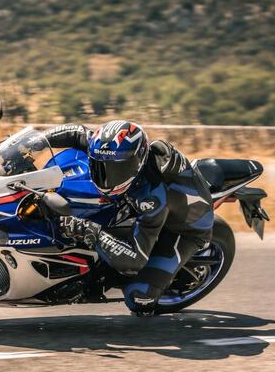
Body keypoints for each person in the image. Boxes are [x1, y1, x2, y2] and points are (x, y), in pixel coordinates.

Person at [44, 121, 214, 315]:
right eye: (101, 166)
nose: (108, 177)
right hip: (148, 206)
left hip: (183, 230)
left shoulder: (151, 196)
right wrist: (35, 143)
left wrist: (88, 230)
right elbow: (77, 133)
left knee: (138, 298)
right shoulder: (110, 148)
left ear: (138, 162)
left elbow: (135, 259)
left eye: (118, 169)